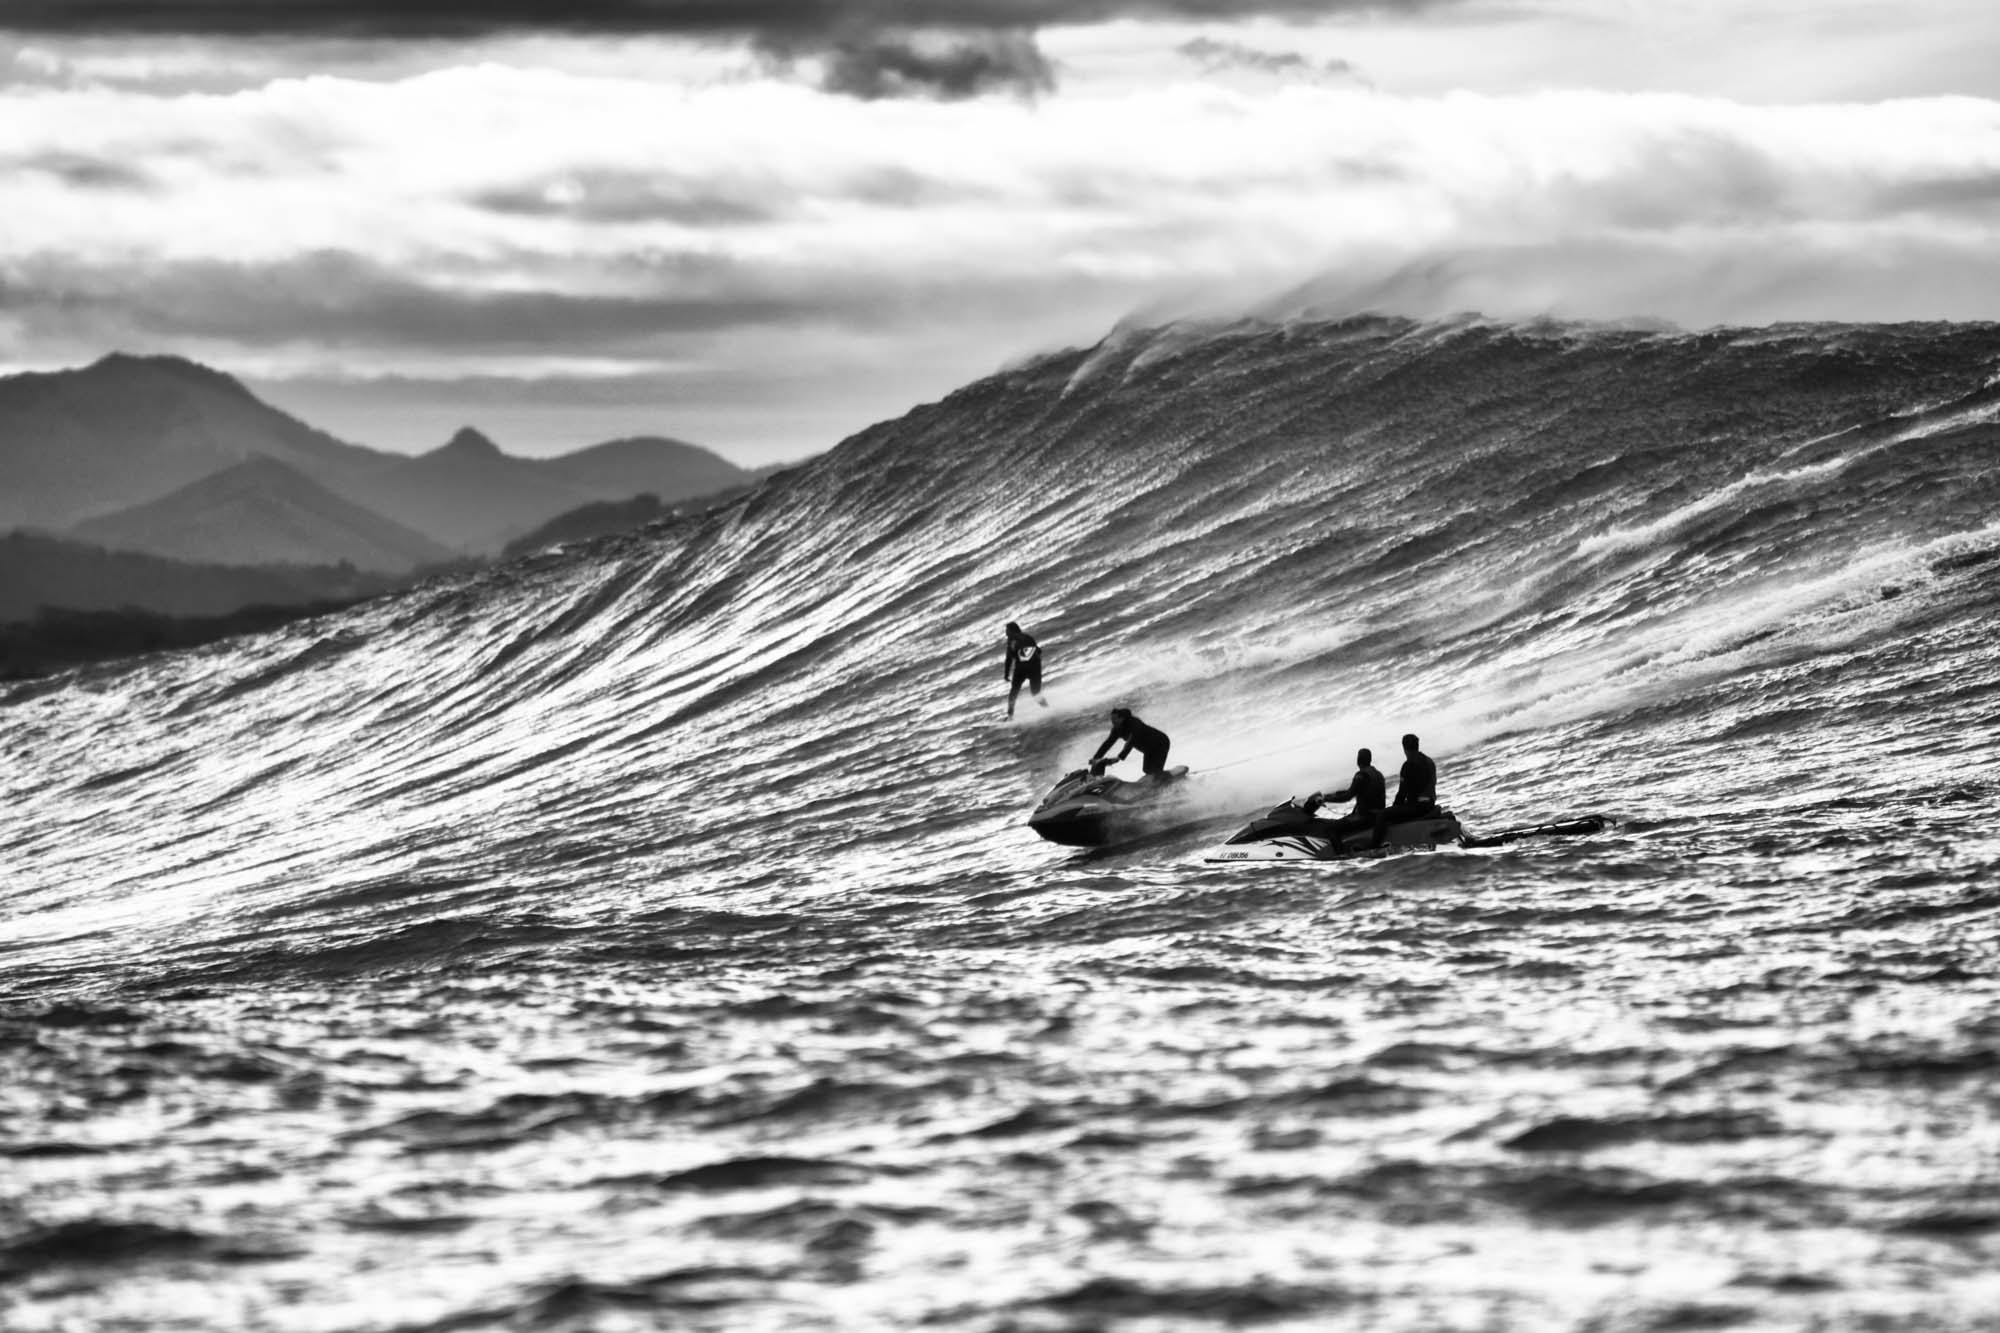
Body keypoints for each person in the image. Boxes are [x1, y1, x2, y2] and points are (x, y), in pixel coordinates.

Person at [1303, 747, 1385, 839]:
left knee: (1331, 828)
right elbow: (1353, 791)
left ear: (1358, 760)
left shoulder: (1361, 775)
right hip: (1377, 815)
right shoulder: (1378, 774)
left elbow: (1347, 797)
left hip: (1366, 817)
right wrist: (1330, 795)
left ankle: (1340, 853)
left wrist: (1325, 799)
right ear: (1370, 759)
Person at [1371, 732, 1438, 847]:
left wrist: (1393, 808)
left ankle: (1373, 847)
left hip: (1418, 807)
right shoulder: (1429, 761)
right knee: (1393, 811)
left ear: (1404, 748)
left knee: (1382, 814)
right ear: (1417, 745)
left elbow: (1402, 793)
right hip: (1430, 803)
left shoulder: (1408, 765)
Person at [1091, 707, 1172, 778]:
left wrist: (1120, 757)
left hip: (1160, 743)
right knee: (1147, 770)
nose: (1112, 722)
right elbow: (1107, 744)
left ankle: (1169, 781)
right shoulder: (1117, 729)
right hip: (1148, 749)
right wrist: (1096, 758)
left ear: (1121, 718)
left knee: (1155, 770)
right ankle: (1161, 781)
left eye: (1114, 719)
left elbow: (1132, 741)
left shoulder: (1134, 723)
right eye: (1111, 720)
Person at [1002, 621, 1048, 718]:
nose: (1006, 633)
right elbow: (1039, 651)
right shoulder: (1028, 637)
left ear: (1011, 631)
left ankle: (1010, 716)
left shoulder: (1012, 640)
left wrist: (1006, 674)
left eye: (1007, 630)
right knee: (1035, 693)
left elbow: (1009, 659)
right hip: (1034, 667)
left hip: (1021, 669)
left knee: (1014, 692)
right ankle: (1048, 709)